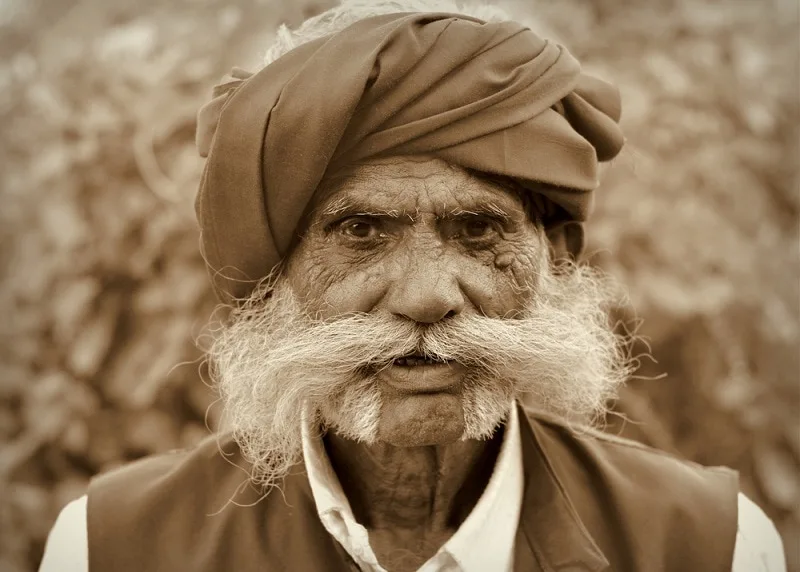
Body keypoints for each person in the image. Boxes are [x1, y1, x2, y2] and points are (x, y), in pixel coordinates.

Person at [40, 1, 786, 570]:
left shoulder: (711, 544)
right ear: (276, 271)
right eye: (362, 231)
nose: (428, 296)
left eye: (479, 230)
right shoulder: (109, 546)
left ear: (554, 258)